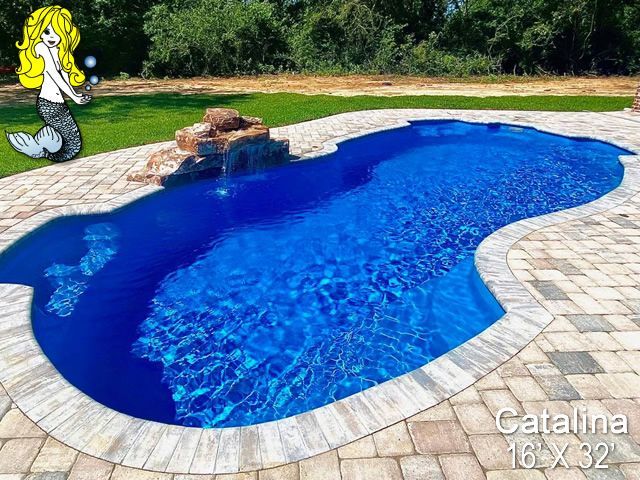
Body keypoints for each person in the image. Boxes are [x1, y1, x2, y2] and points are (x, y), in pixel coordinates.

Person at [6, 6, 91, 162]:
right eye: (46, 31)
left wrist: (75, 95)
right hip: (48, 104)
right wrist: (74, 97)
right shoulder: (41, 47)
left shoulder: (58, 50)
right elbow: (53, 74)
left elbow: (64, 74)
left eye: (57, 32)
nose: (52, 36)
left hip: (58, 103)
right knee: (72, 142)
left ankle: (42, 148)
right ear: (38, 31)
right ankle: (40, 148)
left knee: (73, 144)